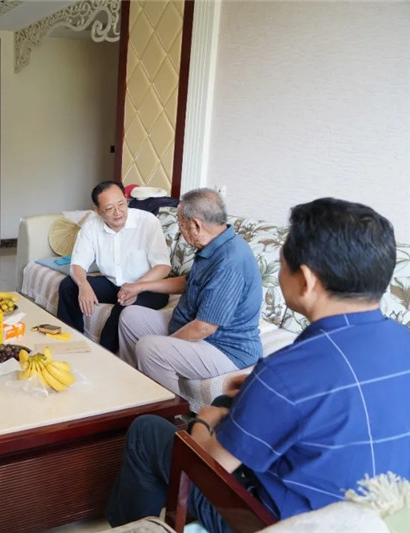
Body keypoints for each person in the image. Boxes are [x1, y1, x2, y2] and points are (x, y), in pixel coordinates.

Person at [104, 198, 410, 532]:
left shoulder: (285, 372)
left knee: (148, 431)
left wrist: (203, 421)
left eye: (282, 264)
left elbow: (210, 466)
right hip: (379, 517)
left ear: (306, 280)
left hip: (274, 521)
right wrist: (258, 394)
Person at [117, 188, 262, 395]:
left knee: (150, 348)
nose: (180, 230)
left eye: (180, 224)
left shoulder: (230, 261)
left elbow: (204, 327)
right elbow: (189, 282)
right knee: (131, 316)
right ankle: (136, 387)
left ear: (196, 224)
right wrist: (141, 286)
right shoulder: (213, 245)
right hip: (191, 325)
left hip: (224, 348)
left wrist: (166, 344)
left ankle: (166, 409)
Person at [56, 181, 171, 352]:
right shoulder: (91, 226)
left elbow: (163, 266)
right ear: (97, 210)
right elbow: (77, 264)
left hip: (148, 287)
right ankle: (70, 343)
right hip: (114, 283)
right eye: (109, 208)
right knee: (69, 285)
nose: (118, 212)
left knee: (123, 305)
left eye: (121, 204)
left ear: (126, 199)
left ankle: (104, 354)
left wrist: (137, 286)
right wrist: (83, 285)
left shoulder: (147, 222)